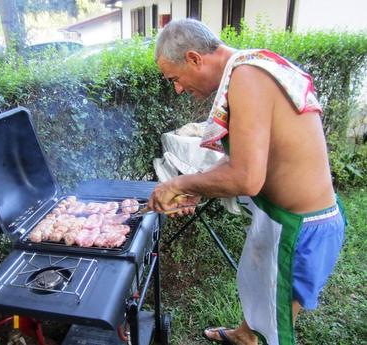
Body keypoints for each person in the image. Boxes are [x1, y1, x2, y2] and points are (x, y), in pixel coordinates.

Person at [147, 19, 345, 345]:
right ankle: (243, 335)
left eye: (175, 78)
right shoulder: (248, 67)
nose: (178, 89)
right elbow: (241, 157)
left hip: (301, 228)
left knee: (276, 326)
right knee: (258, 285)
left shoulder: (247, 78)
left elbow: (247, 178)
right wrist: (197, 187)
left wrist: (179, 185)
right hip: (281, 215)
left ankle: (257, 338)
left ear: (195, 58)